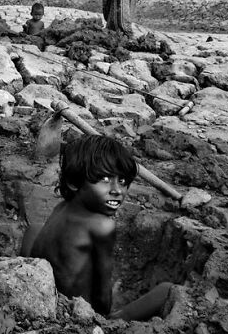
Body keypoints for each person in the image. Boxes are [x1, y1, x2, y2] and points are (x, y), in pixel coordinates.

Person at [20, 134, 172, 321]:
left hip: (43, 294)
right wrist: (102, 318)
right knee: (167, 290)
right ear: (74, 182)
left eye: (123, 181)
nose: (117, 190)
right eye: (105, 180)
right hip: (77, 314)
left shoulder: (62, 207)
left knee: (35, 228)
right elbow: (102, 293)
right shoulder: (102, 225)